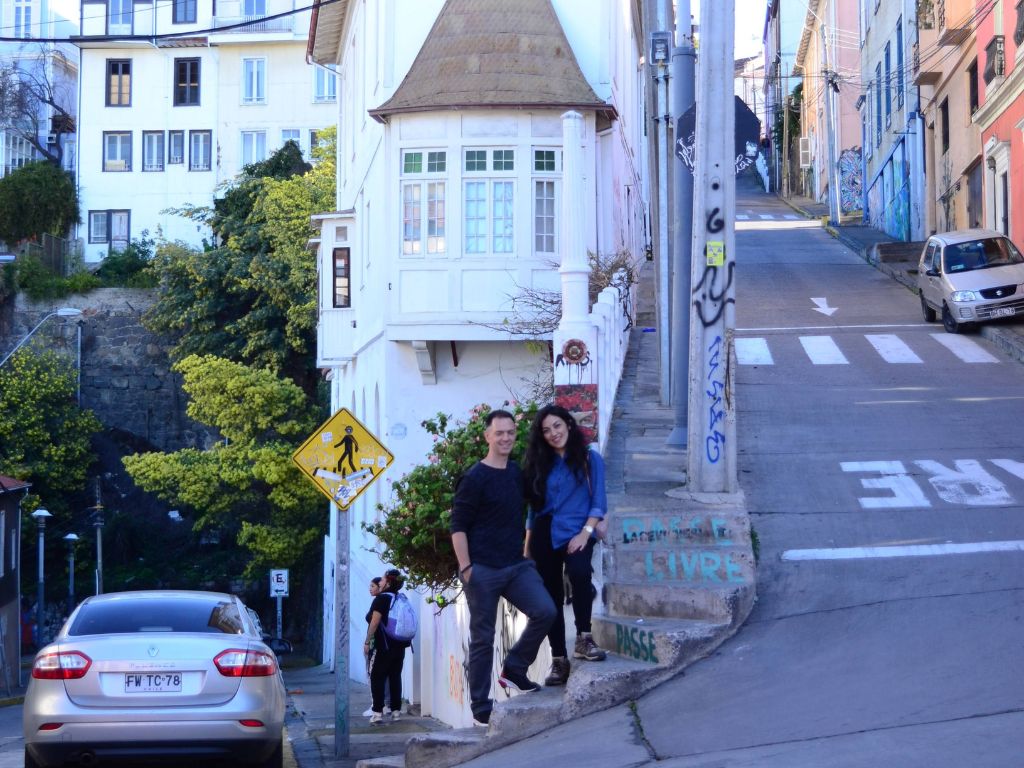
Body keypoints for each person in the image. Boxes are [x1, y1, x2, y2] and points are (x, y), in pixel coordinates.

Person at [451, 408, 557, 727]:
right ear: (487, 436)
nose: (506, 438)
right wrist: (467, 568)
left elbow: (536, 504)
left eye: (510, 432)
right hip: (482, 569)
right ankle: (481, 705)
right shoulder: (474, 478)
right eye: (499, 433)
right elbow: (458, 527)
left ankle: (514, 668)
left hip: (515, 566)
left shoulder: (515, 473)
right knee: (483, 638)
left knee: (546, 611)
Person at [522, 404, 608, 688]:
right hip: (544, 533)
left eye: (557, 426)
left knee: (581, 573)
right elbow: (534, 508)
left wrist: (585, 533)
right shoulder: (539, 463)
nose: (553, 433)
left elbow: (599, 502)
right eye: (546, 430)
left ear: (569, 424)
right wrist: (528, 545)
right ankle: (558, 658)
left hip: (578, 529)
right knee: (551, 596)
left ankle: (584, 638)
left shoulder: (589, 458)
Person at [364, 569, 409, 724]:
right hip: (400, 645)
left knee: (377, 677)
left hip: (383, 645)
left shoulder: (382, 599)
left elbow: (374, 622)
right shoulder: (400, 598)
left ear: (388, 583)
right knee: (395, 677)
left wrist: (367, 641)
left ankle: (377, 713)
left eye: (382, 580)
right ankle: (396, 712)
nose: (380, 582)